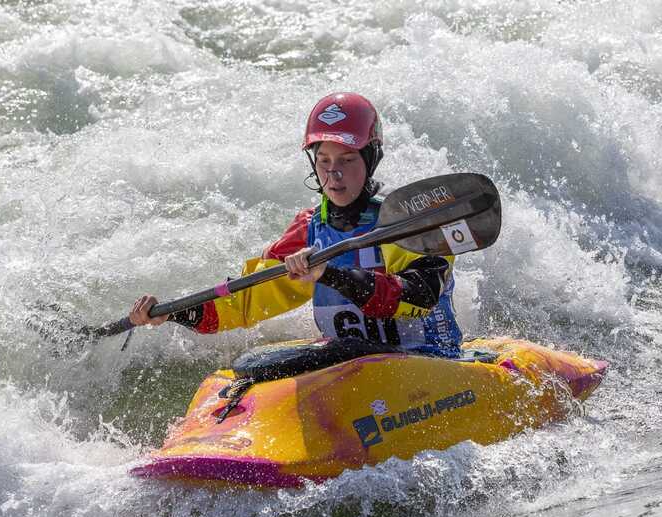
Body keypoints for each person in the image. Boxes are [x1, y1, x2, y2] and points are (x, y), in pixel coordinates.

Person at [129, 92, 463, 358]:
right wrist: (175, 313)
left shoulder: (407, 221)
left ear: (371, 158)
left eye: (347, 160)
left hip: (428, 362)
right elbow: (246, 300)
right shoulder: (309, 228)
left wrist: (329, 273)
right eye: (323, 160)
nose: (334, 174)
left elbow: (419, 298)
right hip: (354, 369)